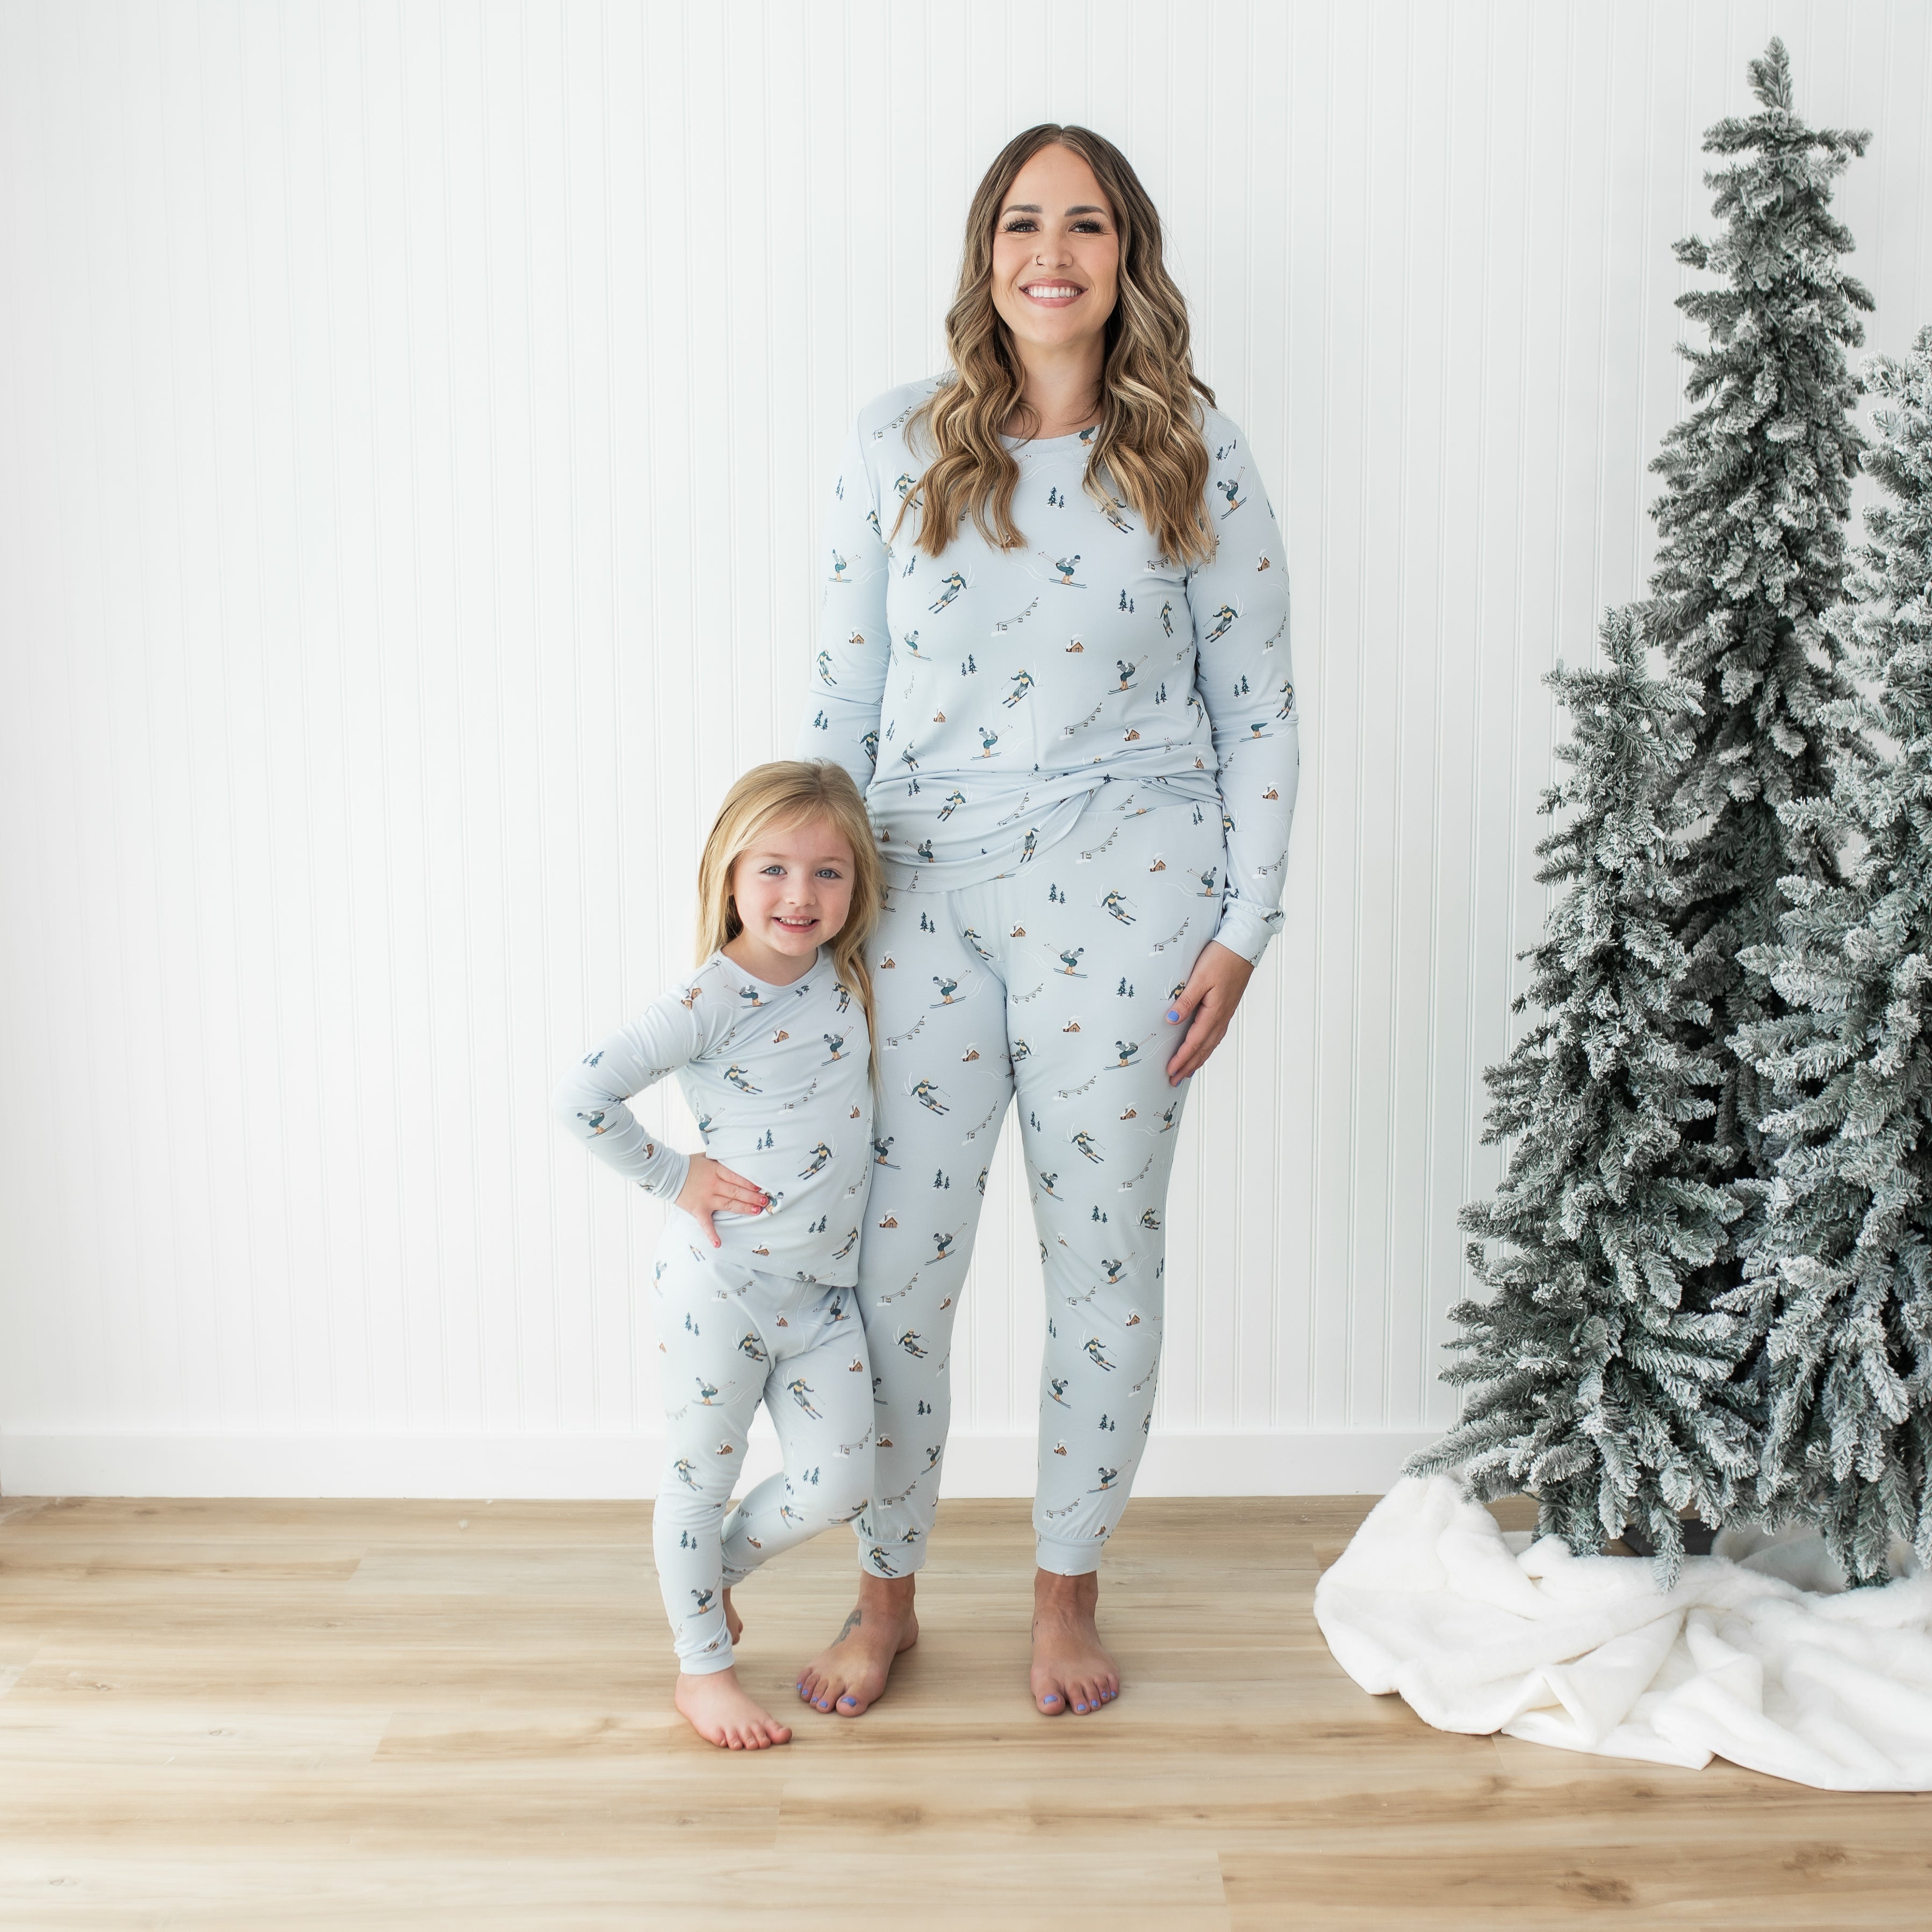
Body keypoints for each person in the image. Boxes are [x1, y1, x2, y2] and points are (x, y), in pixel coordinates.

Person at [794, 124, 1299, 1720]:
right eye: (1023, 223)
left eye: (1085, 224)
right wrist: (802, 922)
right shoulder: (895, 444)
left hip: (1136, 896)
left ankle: (1064, 1591)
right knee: (892, 1271)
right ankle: (884, 1592)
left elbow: (1263, 715)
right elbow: (838, 703)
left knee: (1104, 1264)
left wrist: (1241, 929)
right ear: (984, 252)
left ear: (1125, 255)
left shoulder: (1198, 455)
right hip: (922, 897)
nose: (1052, 252)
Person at [554, 761, 884, 1749]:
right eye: (775, 868)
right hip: (723, 1285)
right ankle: (703, 1671)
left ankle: (714, 1575)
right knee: (700, 1475)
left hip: (824, 1295)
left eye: (829, 873)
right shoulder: (710, 998)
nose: (800, 895)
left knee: (842, 1481)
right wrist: (673, 1176)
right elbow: (582, 1095)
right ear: (728, 875)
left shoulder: (846, 976)